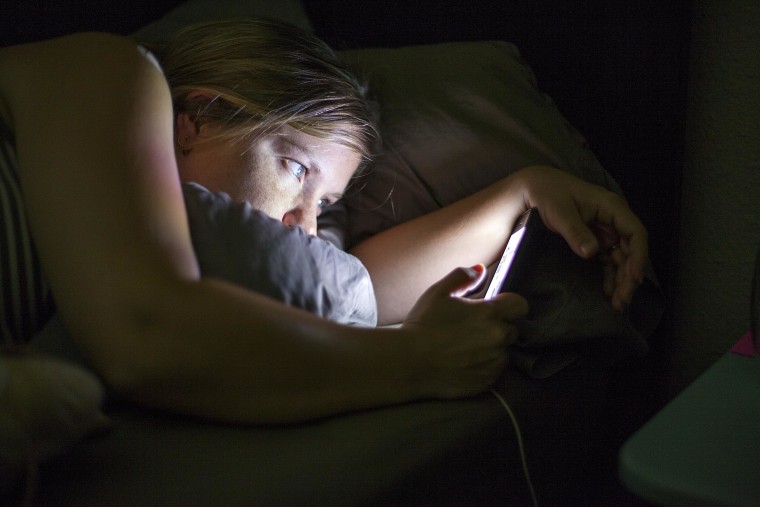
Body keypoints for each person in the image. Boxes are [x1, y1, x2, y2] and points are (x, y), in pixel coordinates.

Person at [0, 17, 646, 450]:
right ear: (196, 117)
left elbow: (350, 287)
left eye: (327, 204)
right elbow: (145, 331)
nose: (302, 225)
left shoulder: (148, 233)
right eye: (296, 169)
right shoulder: (105, 70)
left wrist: (522, 192)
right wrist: (415, 362)